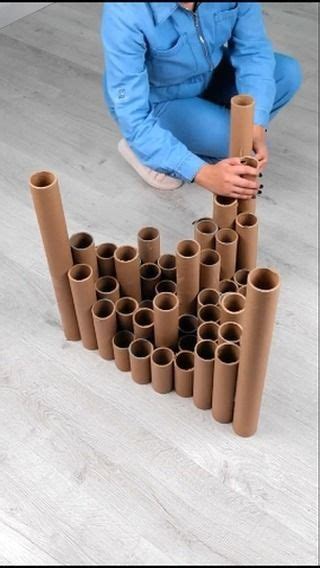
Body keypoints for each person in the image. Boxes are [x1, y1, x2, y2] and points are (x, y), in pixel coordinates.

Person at [101, 2, 301, 197]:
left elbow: (253, 51)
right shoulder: (125, 10)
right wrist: (201, 172)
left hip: (210, 74)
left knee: (286, 74)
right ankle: (145, 150)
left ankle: (196, 136)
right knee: (232, 142)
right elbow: (132, 115)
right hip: (158, 99)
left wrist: (257, 120)